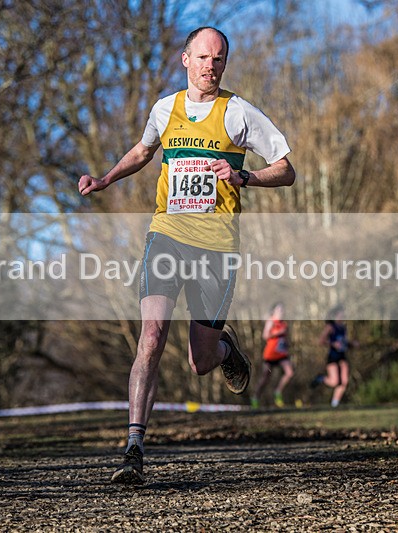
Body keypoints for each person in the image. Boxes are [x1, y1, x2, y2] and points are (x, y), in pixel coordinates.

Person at [78, 26, 295, 484]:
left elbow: (286, 170)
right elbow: (142, 150)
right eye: (202, 57)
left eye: (219, 59)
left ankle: (225, 346)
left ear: (225, 64)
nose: (210, 66)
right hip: (168, 234)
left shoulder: (238, 112)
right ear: (185, 59)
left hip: (216, 245)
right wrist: (105, 179)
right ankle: (134, 447)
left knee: (200, 362)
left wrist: (247, 178)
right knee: (152, 336)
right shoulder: (165, 108)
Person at [251, 303, 294, 408]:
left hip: (282, 353)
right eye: (279, 310)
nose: (281, 312)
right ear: (274, 311)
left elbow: (284, 338)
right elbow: (265, 336)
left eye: (282, 310)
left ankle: (278, 391)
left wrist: (287, 344)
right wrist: (278, 332)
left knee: (290, 373)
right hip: (270, 354)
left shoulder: (284, 324)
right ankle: (255, 398)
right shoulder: (271, 321)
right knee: (265, 378)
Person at [311, 305, 355, 408]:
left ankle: (334, 404)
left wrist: (352, 344)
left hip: (342, 355)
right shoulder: (330, 327)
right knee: (335, 382)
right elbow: (320, 341)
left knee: (344, 382)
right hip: (333, 356)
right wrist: (332, 343)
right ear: (335, 316)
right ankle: (321, 378)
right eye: (340, 314)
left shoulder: (343, 328)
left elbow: (344, 342)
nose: (342, 316)